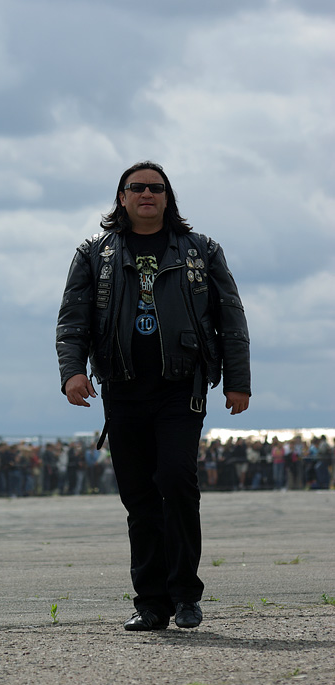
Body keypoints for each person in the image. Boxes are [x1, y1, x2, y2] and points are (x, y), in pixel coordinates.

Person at [56, 161, 251, 631]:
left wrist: (238, 380)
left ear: (168, 197)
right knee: (139, 497)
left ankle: (185, 596)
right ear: (121, 197)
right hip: (121, 389)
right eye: (137, 187)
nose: (147, 194)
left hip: (181, 387)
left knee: (177, 482)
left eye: (156, 188)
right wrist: (72, 372)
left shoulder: (201, 250)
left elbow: (230, 315)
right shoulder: (93, 253)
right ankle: (150, 603)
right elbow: (73, 318)